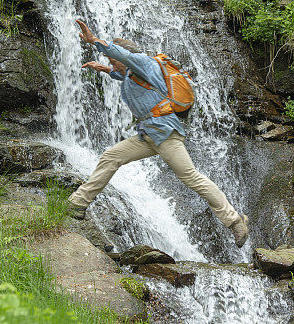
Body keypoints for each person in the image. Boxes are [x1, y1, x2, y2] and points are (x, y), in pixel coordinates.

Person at [66, 19, 250, 247]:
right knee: (111, 157)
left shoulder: (144, 63)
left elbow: (124, 60)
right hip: (147, 136)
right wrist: (104, 69)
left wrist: (94, 41)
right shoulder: (134, 74)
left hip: (165, 133)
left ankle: (234, 220)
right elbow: (123, 74)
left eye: (113, 59)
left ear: (127, 57)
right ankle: (77, 204)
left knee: (190, 177)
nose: (112, 62)